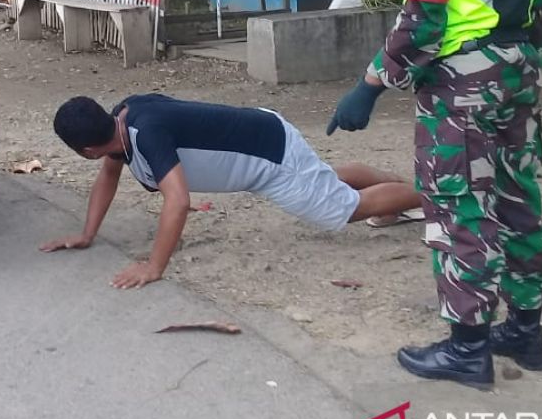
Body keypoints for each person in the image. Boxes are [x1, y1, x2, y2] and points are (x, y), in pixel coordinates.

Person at [327, 0, 542, 387]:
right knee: (516, 196)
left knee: (459, 208)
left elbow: (423, 16)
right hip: (518, 66)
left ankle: (467, 347)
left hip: (464, 83)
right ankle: (526, 334)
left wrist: (372, 84)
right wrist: (535, 53)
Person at [41, 95, 423, 289]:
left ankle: (433, 194)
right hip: (264, 137)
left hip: (269, 158)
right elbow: (109, 175)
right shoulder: (123, 120)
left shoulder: (146, 134)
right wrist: (87, 233)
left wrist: (153, 266)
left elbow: (178, 200)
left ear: (86, 150)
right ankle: (405, 188)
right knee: (319, 180)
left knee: (341, 210)